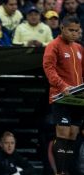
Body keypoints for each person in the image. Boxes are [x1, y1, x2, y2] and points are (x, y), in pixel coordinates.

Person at [43, 16, 84, 175]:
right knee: (63, 134)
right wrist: (62, 85)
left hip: (77, 99)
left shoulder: (79, 48)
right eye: (71, 30)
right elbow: (49, 68)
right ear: (62, 28)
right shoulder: (53, 46)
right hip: (61, 97)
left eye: (77, 31)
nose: (75, 33)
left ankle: (68, 170)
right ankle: (60, 172)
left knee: (73, 134)